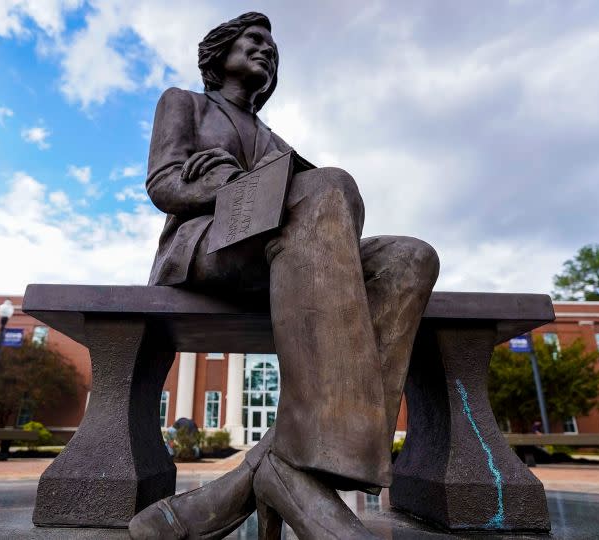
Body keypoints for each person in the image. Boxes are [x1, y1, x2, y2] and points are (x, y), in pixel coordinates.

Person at [129, 12, 439, 540]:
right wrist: (228, 186)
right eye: (254, 40)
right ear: (219, 52)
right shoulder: (184, 101)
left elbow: (321, 207)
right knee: (329, 183)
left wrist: (273, 184)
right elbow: (163, 184)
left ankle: (276, 471)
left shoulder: (275, 140)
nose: (266, 50)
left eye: (272, 47)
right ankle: (288, 477)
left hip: (280, 245)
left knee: (410, 257)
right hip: (203, 245)